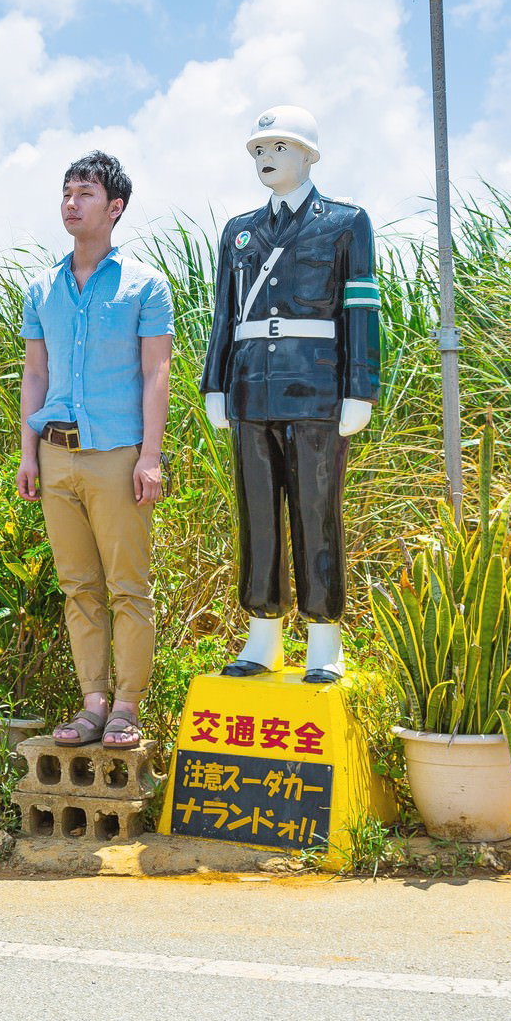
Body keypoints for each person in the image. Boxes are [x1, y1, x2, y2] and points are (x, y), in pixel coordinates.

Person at [201, 105, 380, 684]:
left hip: (317, 390)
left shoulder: (346, 223)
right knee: (256, 512)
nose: (265, 157)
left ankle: (324, 640)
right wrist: (216, 382)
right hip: (252, 390)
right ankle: (262, 635)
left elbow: (360, 310)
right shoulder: (239, 230)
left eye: (276, 145)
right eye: (257, 149)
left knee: (315, 511)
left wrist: (360, 388)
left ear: (307, 153)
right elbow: (224, 314)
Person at [16, 152, 174, 750]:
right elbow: (35, 373)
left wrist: (149, 456)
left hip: (116, 454)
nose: (70, 203)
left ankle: (128, 707)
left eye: (84, 193)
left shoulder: (144, 285)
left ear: (115, 208)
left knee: (128, 586)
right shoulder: (42, 288)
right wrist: (28, 452)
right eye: (65, 192)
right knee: (78, 587)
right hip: (55, 456)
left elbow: (156, 372)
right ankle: (92, 705)